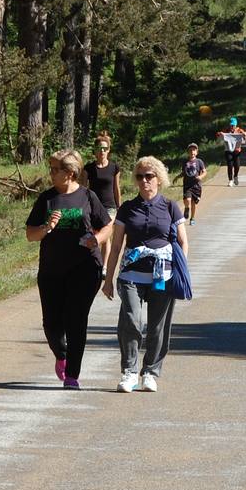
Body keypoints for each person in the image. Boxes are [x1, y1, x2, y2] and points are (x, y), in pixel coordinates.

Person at [25, 150, 111, 390]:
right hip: (52, 270)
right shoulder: (46, 198)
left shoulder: (88, 196)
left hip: (85, 268)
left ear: (70, 173)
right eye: (51, 169)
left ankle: (73, 374)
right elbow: (30, 234)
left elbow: (107, 225)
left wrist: (97, 240)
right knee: (51, 324)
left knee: (76, 319)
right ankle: (61, 355)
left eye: (55, 169)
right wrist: (46, 227)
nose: (51, 174)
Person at [101, 156, 188, 394]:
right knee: (132, 320)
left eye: (149, 176)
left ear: (159, 179)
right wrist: (108, 279)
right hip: (131, 274)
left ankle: (150, 372)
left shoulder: (170, 206)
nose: (144, 181)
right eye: (139, 176)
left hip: (163, 276)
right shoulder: (127, 208)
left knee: (158, 327)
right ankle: (129, 371)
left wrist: (180, 271)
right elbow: (116, 245)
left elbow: (182, 241)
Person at [85, 134, 121, 220]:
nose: (102, 151)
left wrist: (119, 207)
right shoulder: (88, 168)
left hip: (110, 207)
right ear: (95, 149)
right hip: (93, 206)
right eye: (99, 148)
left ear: (108, 150)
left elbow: (116, 188)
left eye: (105, 149)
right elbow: (83, 189)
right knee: (94, 232)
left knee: (106, 230)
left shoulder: (114, 167)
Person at [216, 118, 246, 187]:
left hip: (237, 150)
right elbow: (218, 135)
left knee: (237, 165)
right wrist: (220, 134)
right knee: (230, 165)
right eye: (231, 125)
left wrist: (244, 134)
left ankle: (235, 176)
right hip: (228, 150)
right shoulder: (226, 130)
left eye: (233, 125)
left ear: (235, 125)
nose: (232, 127)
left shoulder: (239, 130)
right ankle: (230, 180)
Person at [181, 144, 206, 225]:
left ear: (197, 152)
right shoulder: (185, 162)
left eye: (194, 150)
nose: (192, 152)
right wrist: (177, 176)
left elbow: (205, 172)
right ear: (188, 152)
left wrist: (201, 176)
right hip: (187, 185)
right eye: (190, 150)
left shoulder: (199, 161)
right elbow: (183, 172)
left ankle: (192, 218)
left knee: (193, 203)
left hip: (196, 186)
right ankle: (186, 208)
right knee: (187, 200)